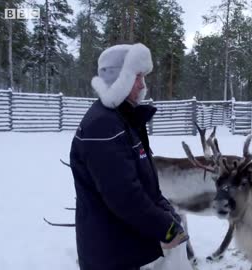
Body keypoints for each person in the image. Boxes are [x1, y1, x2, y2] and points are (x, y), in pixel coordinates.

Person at [70, 43, 188, 270]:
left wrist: (167, 212)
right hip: (110, 255)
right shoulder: (103, 126)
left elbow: (143, 183)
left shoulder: (122, 120)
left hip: (123, 248)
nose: (143, 84)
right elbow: (125, 196)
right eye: (138, 76)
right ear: (120, 79)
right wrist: (166, 227)